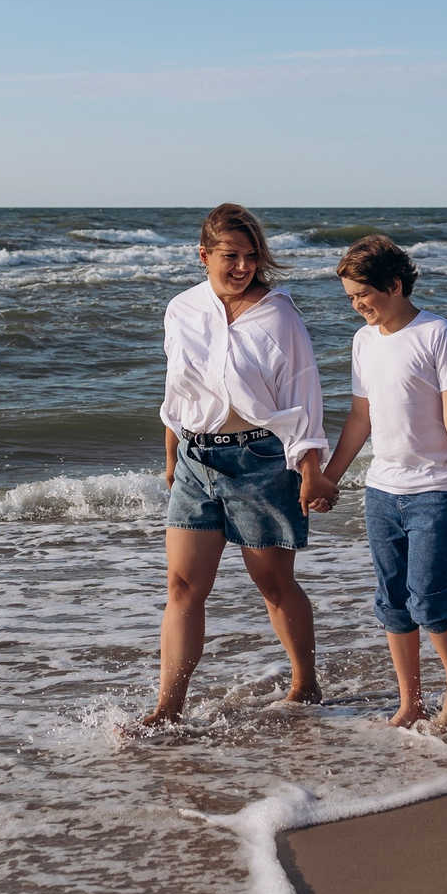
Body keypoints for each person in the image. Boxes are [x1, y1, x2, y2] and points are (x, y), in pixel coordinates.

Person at [145, 203, 336, 726]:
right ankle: (168, 709)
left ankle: (305, 683)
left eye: (251, 256)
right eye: (230, 256)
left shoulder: (279, 316)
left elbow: (304, 397)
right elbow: (177, 387)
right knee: (182, 586)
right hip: (194, 459)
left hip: (261, 461)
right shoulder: (182, 309)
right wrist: (171, 454)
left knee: (273, 584)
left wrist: (311, 470)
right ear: (203, 255)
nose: (243, 266)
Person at [319, 235, 447, 729]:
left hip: (438, 489)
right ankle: (410, 702)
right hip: (382, 491)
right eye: (350, 297)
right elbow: (360, 417)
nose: (356, 305)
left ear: (395, 285)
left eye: (363, 294)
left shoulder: (437, 333)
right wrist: (330, 478)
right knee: (392, 600)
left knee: (430, 595)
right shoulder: (363, 341)